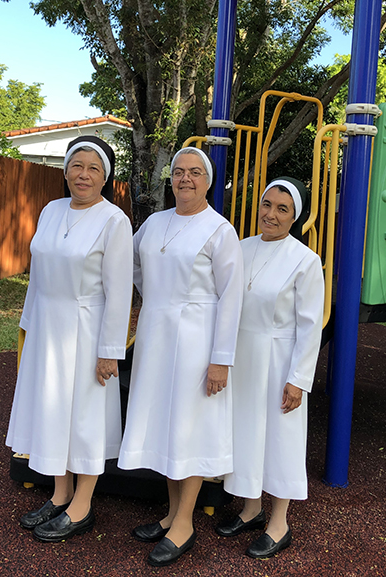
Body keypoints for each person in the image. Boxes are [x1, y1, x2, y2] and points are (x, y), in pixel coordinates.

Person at [118, 147, 243, 567]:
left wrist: (220, 359)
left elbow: (230, 300)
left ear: (208, 182)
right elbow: (131, 264)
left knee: (187, 428)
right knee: (167, 425)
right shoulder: (154, 223)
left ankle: (185, 524)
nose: (185, 179)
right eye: (178, 172)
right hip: (156, 335)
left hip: (197, 342)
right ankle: (172, 513)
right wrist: (154, 297)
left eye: (194, 173)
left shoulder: (220, 231)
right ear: (170, 179)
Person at [6, 135, 133, 542]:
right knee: (53, 410)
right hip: (47, 328)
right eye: (77, 165)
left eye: (93, 168)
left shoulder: (114, 220)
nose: (83, 174)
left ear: (105, 176)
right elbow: (38, 275)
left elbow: (119, 292)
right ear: (65, 171)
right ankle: (60, 494)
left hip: (87, 330)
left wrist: (109, 351)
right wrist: (28, 324)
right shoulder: (50, 210)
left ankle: (82, 505)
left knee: (85, 417)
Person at [217, 177, 324, 559]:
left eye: (282, 209)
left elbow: (311, 326)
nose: (271, 215)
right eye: (267, 205)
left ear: (294, 216)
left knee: (280, 436)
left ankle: (279, 523)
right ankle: (250, 508)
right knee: (245, 431)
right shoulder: (240, 247)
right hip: (243, 355)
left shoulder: (305, 261)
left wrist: (298, 380)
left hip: (280, 360)